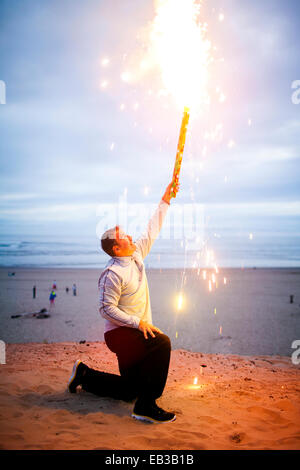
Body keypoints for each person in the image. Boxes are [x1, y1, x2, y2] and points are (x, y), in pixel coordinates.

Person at [68, 181, 178, 423]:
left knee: (130, 389)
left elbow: (152, 229)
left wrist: (165, 199)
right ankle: (146, 406)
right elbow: (106, 309)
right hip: (120, 334)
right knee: (162, 343)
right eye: (124, 236)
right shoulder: (112, 274)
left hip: (136, 330)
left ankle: (84, 375)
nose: (130, 236)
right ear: (117, 249)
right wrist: (137, 323)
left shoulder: (136, 254)